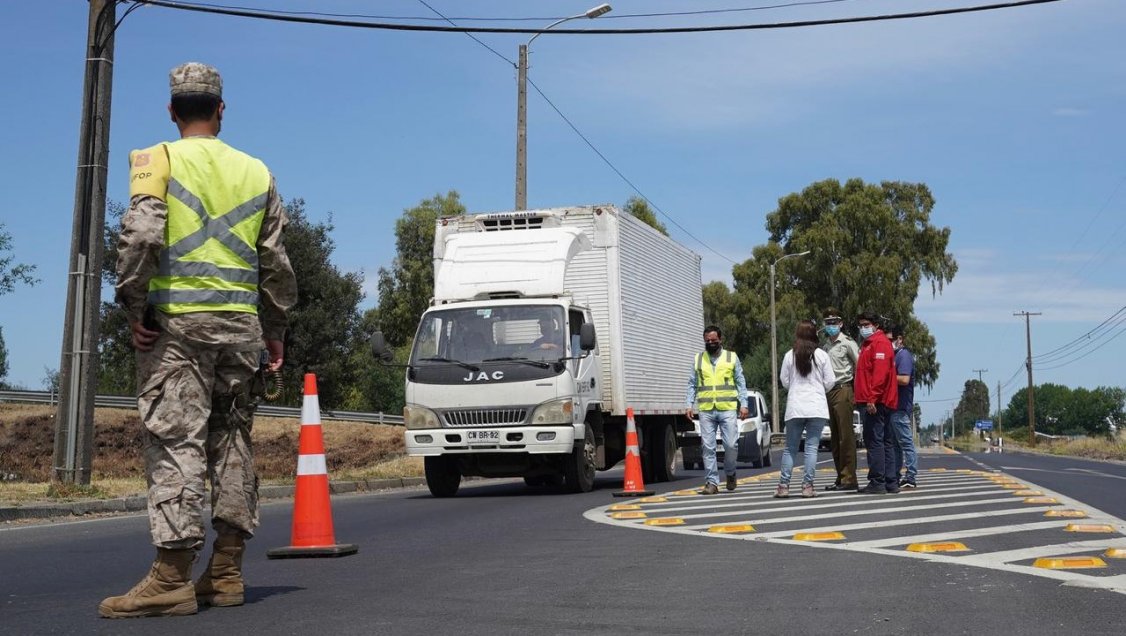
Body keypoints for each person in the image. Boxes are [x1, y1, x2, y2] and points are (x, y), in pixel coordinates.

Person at [100, 62, 297, 619]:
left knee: (176, 441)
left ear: (171, 110)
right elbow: (276, 263)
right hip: (240, 330)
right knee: (232, 442)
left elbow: (140, 235)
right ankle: (227, 571)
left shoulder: (154, 159)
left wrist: (134, 305)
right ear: (220, 109)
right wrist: (275, 330)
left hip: (178, 332)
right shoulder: (257, 172)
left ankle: (171, 577)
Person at [775, 320, 836, 499]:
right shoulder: (822, 355)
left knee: (790, 449)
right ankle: (807, 487)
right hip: (816, 407)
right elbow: (830, 381)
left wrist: (796, 388)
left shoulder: (789, 355)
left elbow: (784, 381)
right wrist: (818, 390)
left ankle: (784, 486)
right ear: (814, 334)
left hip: (795, 407)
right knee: (811, 448)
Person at [685, 326, 749, 494]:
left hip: (727, 409)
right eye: (707, 341)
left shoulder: (731, 357)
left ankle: (730, 473)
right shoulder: (699, 359)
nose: (711, 343)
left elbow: (740, 382)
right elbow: (692, 383)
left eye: (714, 340)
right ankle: (712, 482)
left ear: (720, 340)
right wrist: (688, 404)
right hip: (706, 409)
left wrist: (744, 404)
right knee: (708, 447)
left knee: (730, 445)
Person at [854, 312, 899, 494]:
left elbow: (879, 375)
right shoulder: (869, 344)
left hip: (876, 401)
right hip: (878, 399)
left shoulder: (879, 344)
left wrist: (872, 398)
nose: (863, 328)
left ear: (875, 325)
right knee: (886, 441)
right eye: (861, 325)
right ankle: (890, 481)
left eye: (866, 324)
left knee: (875, 441)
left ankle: (877, 481)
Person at [821, 307, 860, 491]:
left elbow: (859, 365)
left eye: (834, 322)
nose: (831, 326)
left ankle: (849, 478)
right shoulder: (826, 346)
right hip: (829, 391)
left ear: (841, 323)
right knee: (835, 438)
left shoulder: (847, 343)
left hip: (844, 388)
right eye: (827, 323)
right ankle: (840, 476)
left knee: (846, 437)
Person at [886, 323, 918, 489]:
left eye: (890, 339)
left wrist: (885, 376)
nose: (888, 342)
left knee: (905, 443)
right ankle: (896, 474)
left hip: (900, 408)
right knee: (896, 445)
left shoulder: (903, 356)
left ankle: (911, 476)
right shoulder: (894, 355)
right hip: (893, 408)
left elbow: (904, 379)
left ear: (900, 339)